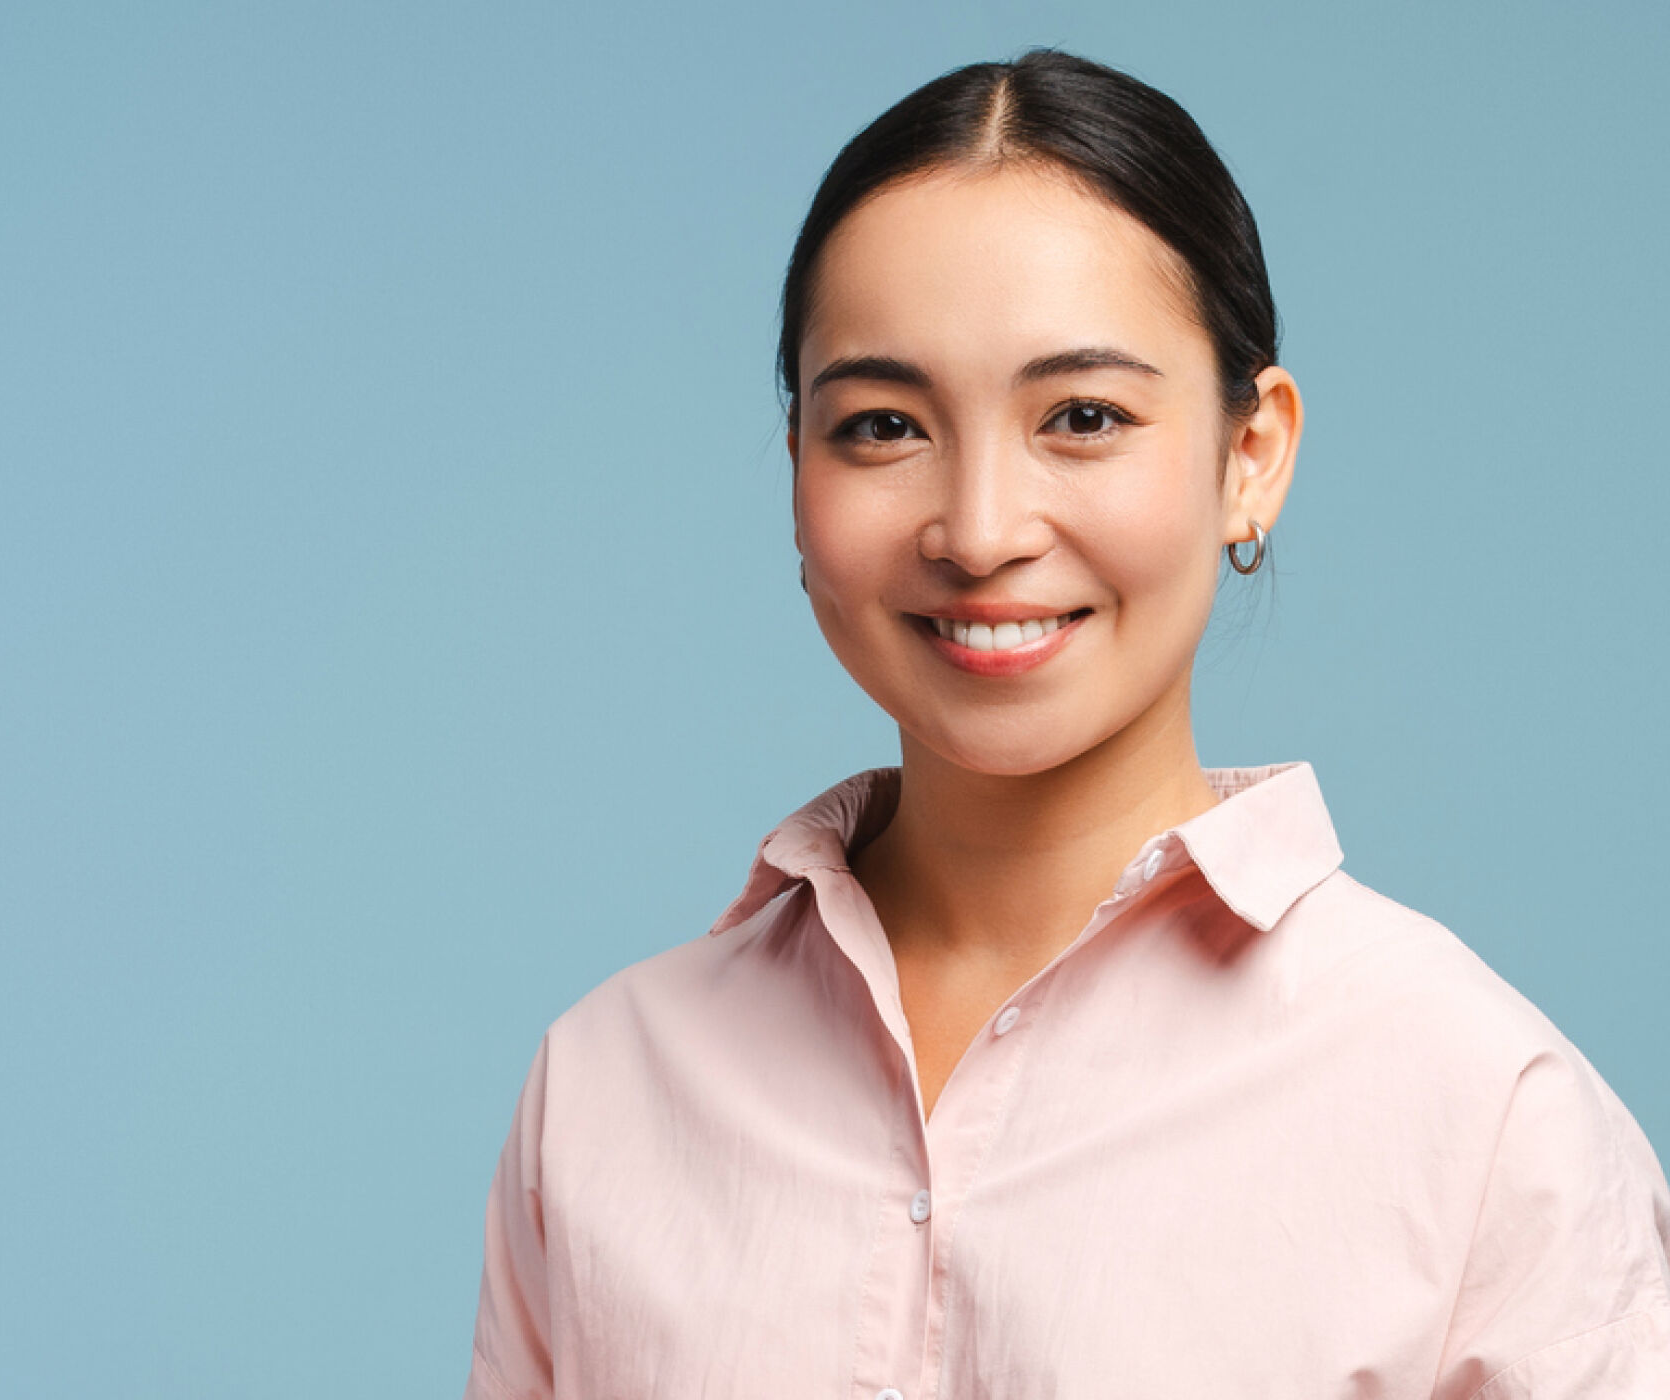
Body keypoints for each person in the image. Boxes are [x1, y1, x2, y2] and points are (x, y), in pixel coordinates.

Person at [460, 49, 1670, 1399]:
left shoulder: (1487, 1120)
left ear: (1250, 454)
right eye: (880, 425)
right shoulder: (608, 1087)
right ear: (795, 461)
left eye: (1083, 416)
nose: (979, 532)